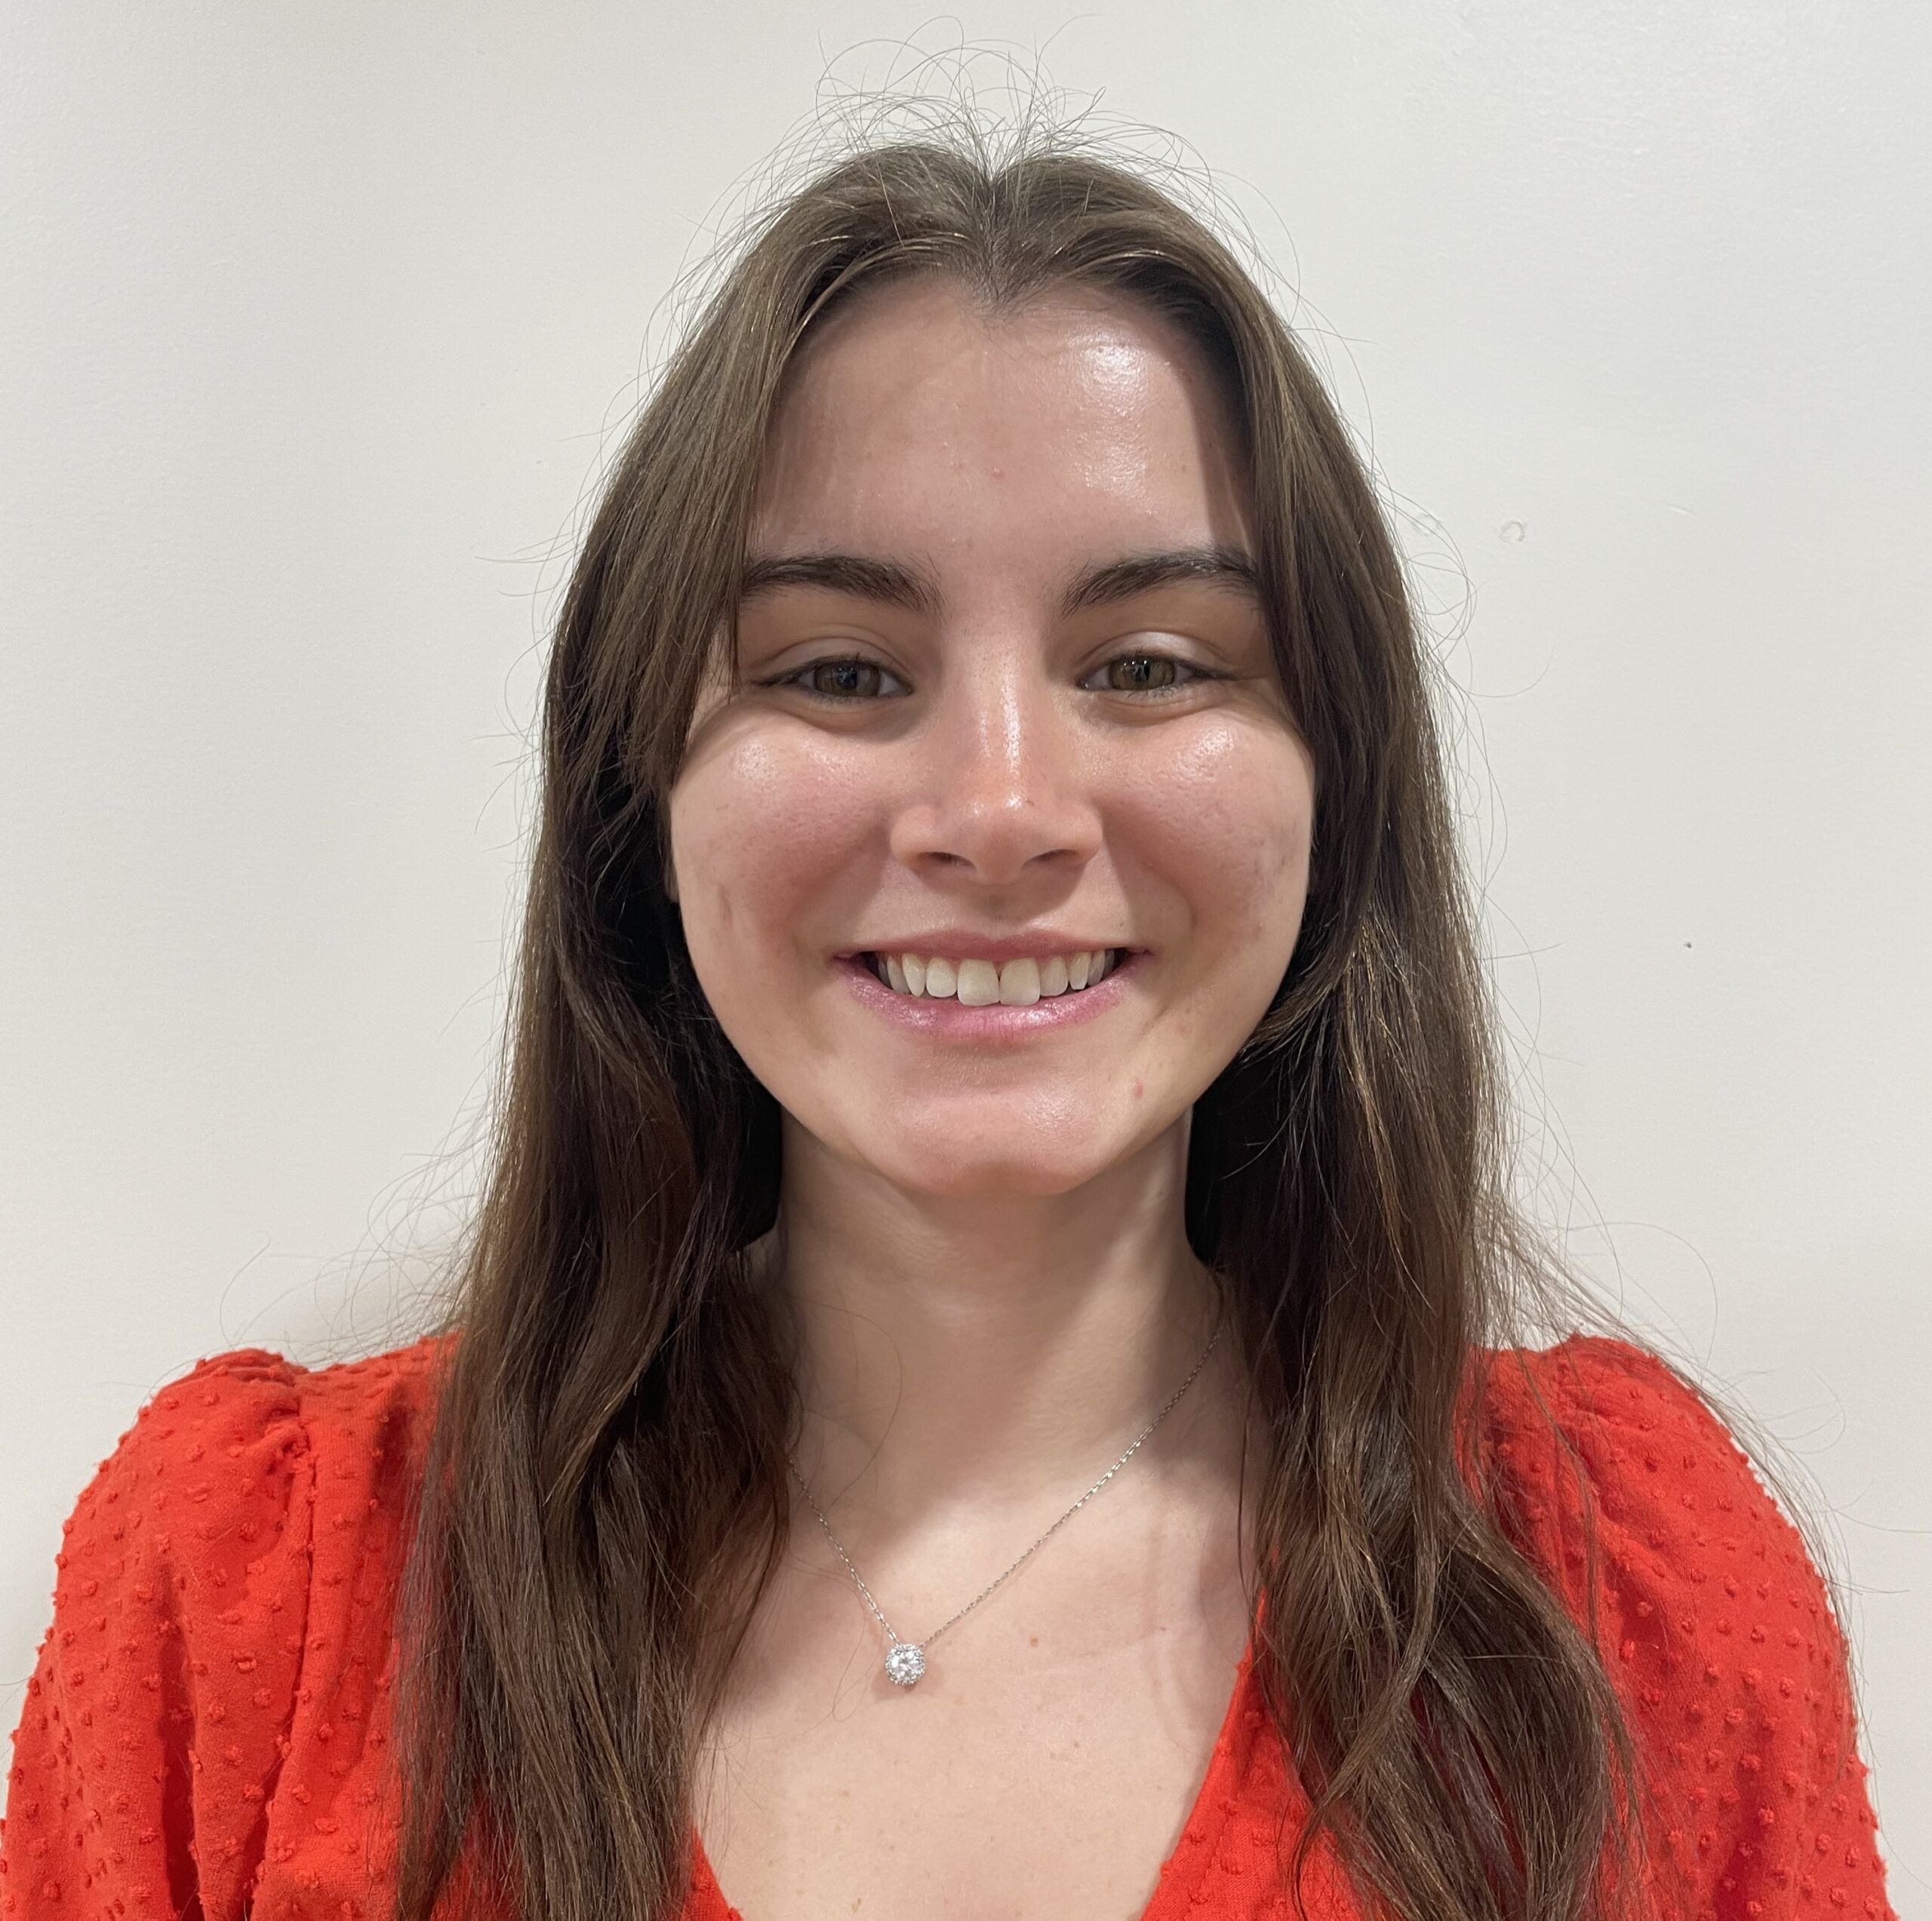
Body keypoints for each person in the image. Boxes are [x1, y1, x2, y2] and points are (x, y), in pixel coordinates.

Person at [0, 126, 1895, 1921]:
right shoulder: (256, 1599)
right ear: (640, 801)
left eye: (1146, 663)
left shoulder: (1618, 1598)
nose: (998, 812)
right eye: (839, 670)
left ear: (1340, 788)